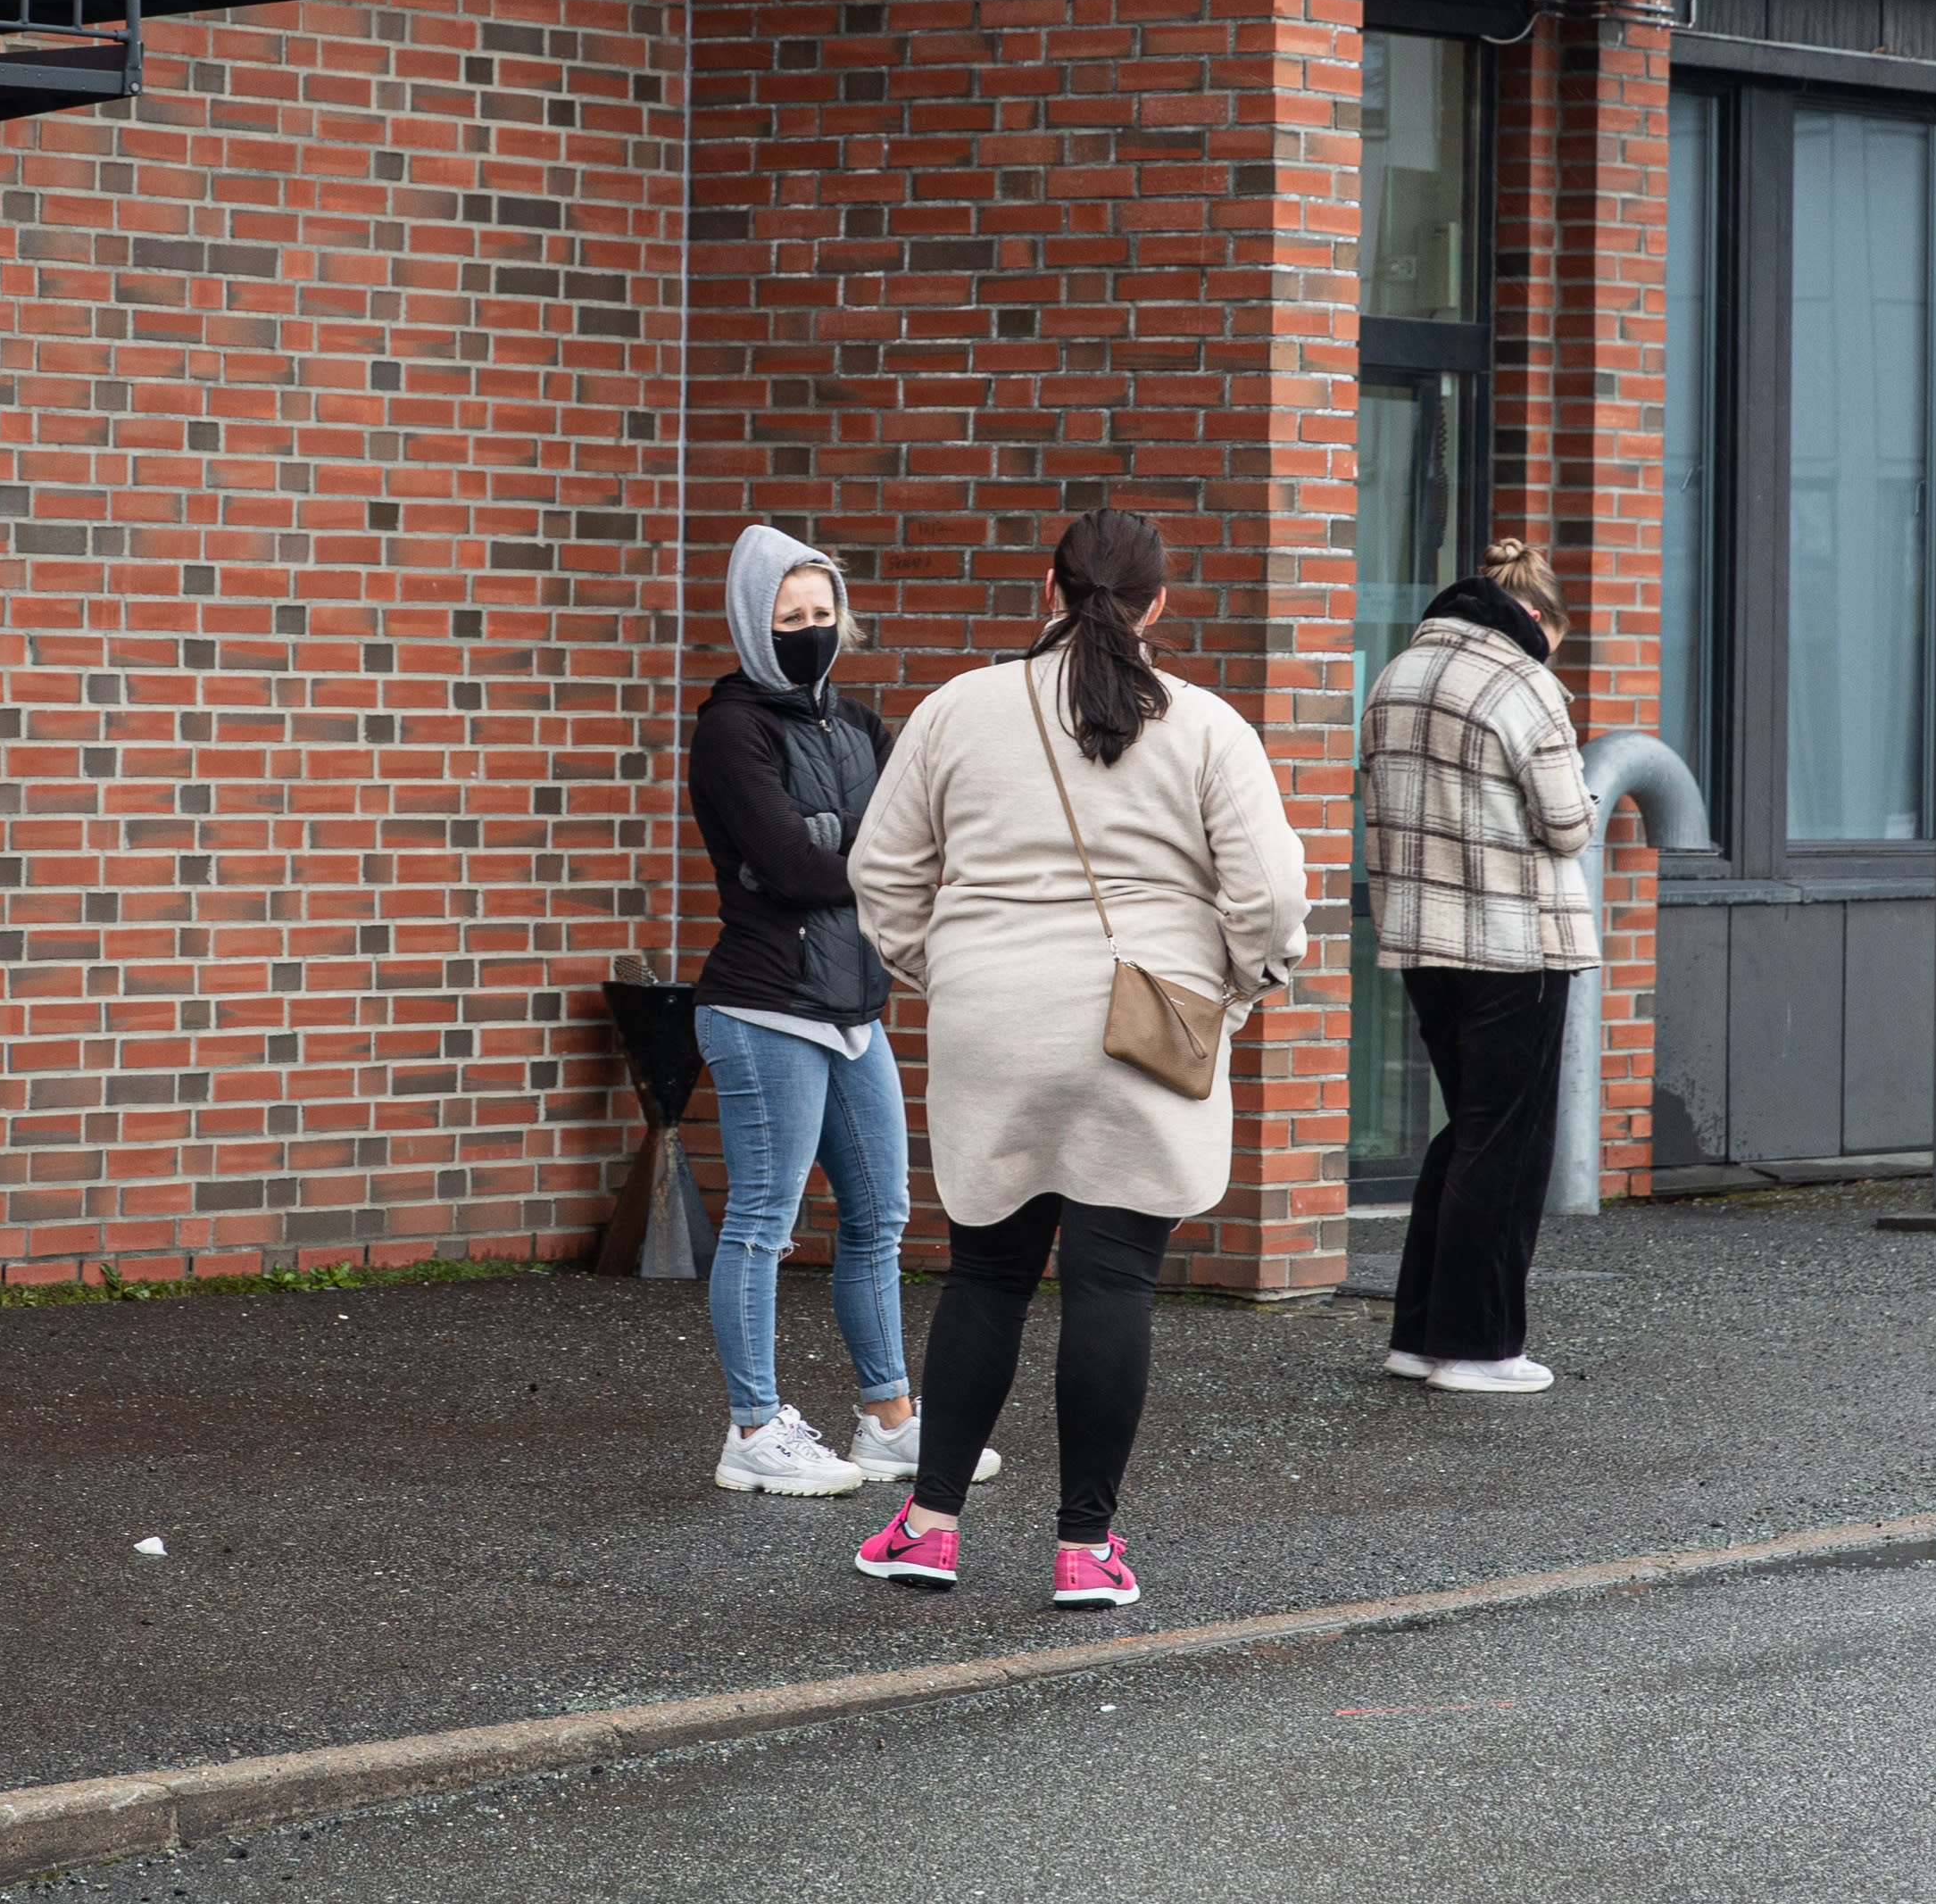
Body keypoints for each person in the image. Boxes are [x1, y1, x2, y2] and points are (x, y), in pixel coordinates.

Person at [843, 510, 1309, 1607]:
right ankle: (1084, 1551)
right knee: (1113, 1282)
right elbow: (1271, 895)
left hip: (993, 1021)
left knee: (987, 1275)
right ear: (1158, 605)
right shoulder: (1205, 726)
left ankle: (930, 1528)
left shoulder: (958, 709)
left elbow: (882, 872)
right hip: (1147, 1022)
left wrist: (944, 969)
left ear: (1047, 592)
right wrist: (1238, 986)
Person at [682, 524, 994, 1499]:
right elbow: (789, 866)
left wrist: (844, 844)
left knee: (880, 1217)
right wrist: (860, 852)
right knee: (763, 1222)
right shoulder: (732, 729)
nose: (811, 631)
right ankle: (753, 1429)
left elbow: (925, 837)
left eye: (823, 613)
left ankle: (888, 1421)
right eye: (790, 617)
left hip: (855, 1008)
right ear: (754, 623)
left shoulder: (859, 725)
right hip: (765, 1006)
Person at [1356, 536, 1598, 1398]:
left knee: (1467, 1133)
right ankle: (1478, 1346)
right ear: (1534, 617)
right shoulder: (1521, 682)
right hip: (1514, 942)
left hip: (1423, 939)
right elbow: (1568, 824)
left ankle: (1420, 1335)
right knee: (1508, 1145)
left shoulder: (1398, 674)